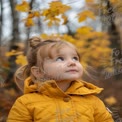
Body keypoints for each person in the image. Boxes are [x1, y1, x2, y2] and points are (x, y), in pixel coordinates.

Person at [7, 37, 114, 122]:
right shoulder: (26, 103)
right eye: (60, 59)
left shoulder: (93, 101)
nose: (72, 62)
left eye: (75, 58)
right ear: (38, 72)